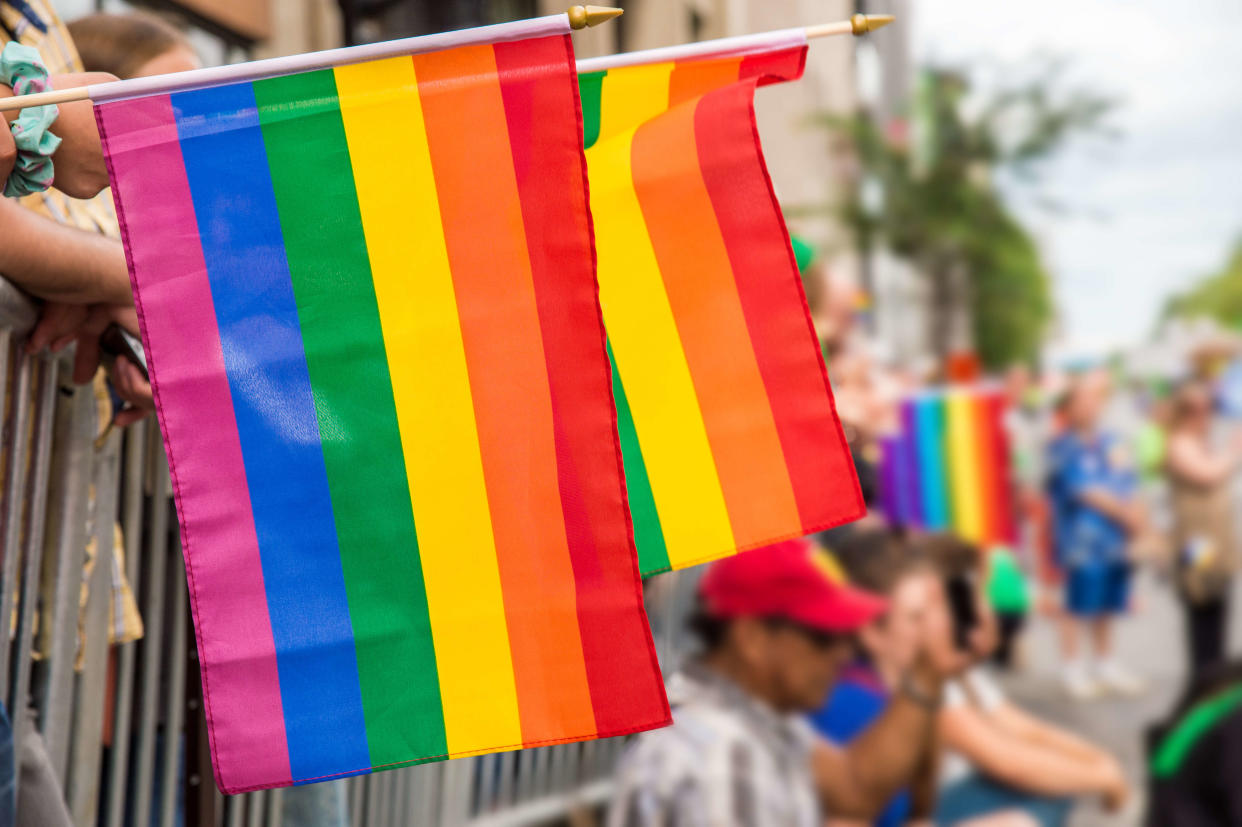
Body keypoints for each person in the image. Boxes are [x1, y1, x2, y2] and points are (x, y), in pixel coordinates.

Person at [608, 537, 964, 826]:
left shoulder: (754, 715)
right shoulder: (725, 752)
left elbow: (854, 788)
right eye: (823, 637)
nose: (842, 652)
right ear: (753, 639)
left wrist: (927, 672)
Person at [814, 530, 1031, 827]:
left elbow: (920, 811)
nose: (932, 628)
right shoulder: (850, 705)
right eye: (916, 617)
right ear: (871, 633)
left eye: (933, 613)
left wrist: (935, 678)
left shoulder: (899, 683)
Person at [918, 533, 1131, 827]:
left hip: (953, 795)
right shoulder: (933, 671)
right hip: (933, 805)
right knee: (1047, 791)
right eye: (985, 591)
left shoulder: (958, 667)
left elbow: (1024, 729)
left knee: (1056, 783)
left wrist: (1101, 761)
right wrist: (1104, 776)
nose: (992, 607)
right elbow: (1008, 761)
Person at [1045, 370, 1145, 699]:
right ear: (1069, 408)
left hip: (1114, 540)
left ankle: (1105, 662)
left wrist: (1135, 514)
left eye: (1095, 399)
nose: (1090, 406)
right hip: (1080, 542)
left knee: (1109, 602)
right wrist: (1125, 513)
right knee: (1075, 605)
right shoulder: (1061, 446)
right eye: (1083, 400)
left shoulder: (1113, 441)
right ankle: (1072, 667)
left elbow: (1129, 479)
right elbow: (1081, 488)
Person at [1164, 379, 1241, 675]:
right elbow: (1208, 475)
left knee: (1218, 611)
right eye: (1198, 410)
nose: (1206, 416)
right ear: (1184, 412)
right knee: (1202, 605)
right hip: (1197, 544)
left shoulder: (1201, 442)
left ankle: (1213, 675)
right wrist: (1234, 450)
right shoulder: (1179, 443)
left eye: (1209, 408)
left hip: (1215, 542)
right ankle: (1203, 680)